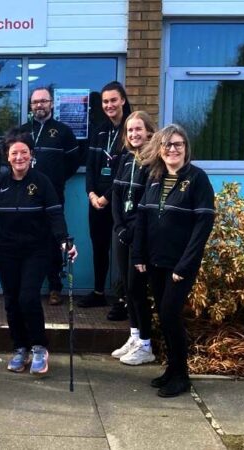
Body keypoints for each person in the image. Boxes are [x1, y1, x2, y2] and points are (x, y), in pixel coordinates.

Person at [0, 128, 77, 375]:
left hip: (37, 250)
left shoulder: (42, 182)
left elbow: (55, 214)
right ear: (7, 156)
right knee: (11, 302)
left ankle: (39, 346)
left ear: (31, 154)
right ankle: (20, 347)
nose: (19, 157)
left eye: (24, 152)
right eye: (14, 153)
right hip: (6, 251)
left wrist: (64, 241)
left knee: (28, 298)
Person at [132, 124, 215, 397]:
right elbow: (142, 218)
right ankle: (171, 369)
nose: (173, 149)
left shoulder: (197, 178)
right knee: (164, 317)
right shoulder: (154, 177)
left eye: (178, 144)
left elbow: (203, 226)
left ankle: (182, 375)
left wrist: (185, 265)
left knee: (170, 314)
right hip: (156, 261)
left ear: (186, 148)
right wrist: (139, 254)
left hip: (180, 265)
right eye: (168, 145)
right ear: (160, 149)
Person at [20, 88, 80, 306]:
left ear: (52, 104)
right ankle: (28, 286)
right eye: (35, 102)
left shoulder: (63, 131)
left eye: (43, 101)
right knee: (28, 240)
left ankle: (55, 287)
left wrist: (58, 179)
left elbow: (74, 161)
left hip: (53, 196)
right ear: (30, 106)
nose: (39, 105)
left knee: (55, 240)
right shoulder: (24, 131)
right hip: (25, 197)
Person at [109, 111, 157, 365]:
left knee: (137, 288)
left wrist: (134, 230)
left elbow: (149, 202)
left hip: (140, 235)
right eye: (129, 131)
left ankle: (146, 345)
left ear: (149, 131)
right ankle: (134, 335)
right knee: (127, 287)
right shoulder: (126, 158)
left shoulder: (154, 161)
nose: (134, 134)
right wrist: (119, 226)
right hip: (122, 231)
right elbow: (116, 194)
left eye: (138, 129)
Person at [81, 81, 132, 313]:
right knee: (99, 246)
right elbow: (90, 165)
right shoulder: (100, 129)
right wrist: (91, 193)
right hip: (97, 200)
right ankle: (99, 293)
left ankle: (124, 299)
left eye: (113, 100)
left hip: (121, 200)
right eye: (105, 101)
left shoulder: (132, 128)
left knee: (124, 249)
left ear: (122, 100)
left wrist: (107, 197)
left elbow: (126, 170)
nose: (109, 105)